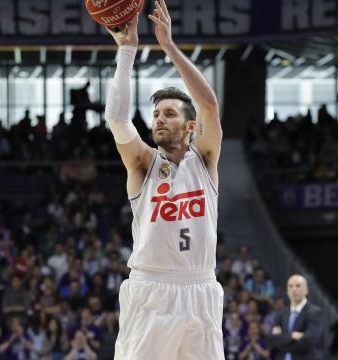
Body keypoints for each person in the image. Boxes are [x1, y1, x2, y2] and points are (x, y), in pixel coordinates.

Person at [105, 2, 224, 359]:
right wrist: (127, 51)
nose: (158, 119)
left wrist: (169, 46)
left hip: (201, 287)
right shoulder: (142, 164)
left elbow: (210, 107)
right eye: (156, 113)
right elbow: (117, 119)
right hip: (151, 289)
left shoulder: (205, 159)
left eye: (169, 113)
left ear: (190, 127)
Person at [266, 274, 326, 360]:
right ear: (287, 291)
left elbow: (309, 341)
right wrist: (292, 335)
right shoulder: (281, 314)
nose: (294, 289)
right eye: (290, 286)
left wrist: (282, 341)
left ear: (306, 290)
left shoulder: (315, 312)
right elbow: (270, 341)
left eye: (298, 286)